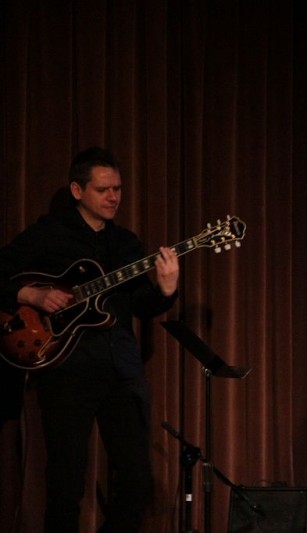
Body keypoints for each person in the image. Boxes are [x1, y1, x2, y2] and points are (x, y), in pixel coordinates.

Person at [0, 147, 180, 532]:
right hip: (68, 369)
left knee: (135, 480)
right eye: (103, 190)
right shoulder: (49, 234)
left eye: (118, 189)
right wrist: (30, 295)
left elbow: (142, 305)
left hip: (122, 371)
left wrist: (166, 290)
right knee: (66, 483)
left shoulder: (127, 244)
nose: (113, 197)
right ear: (77, 190)